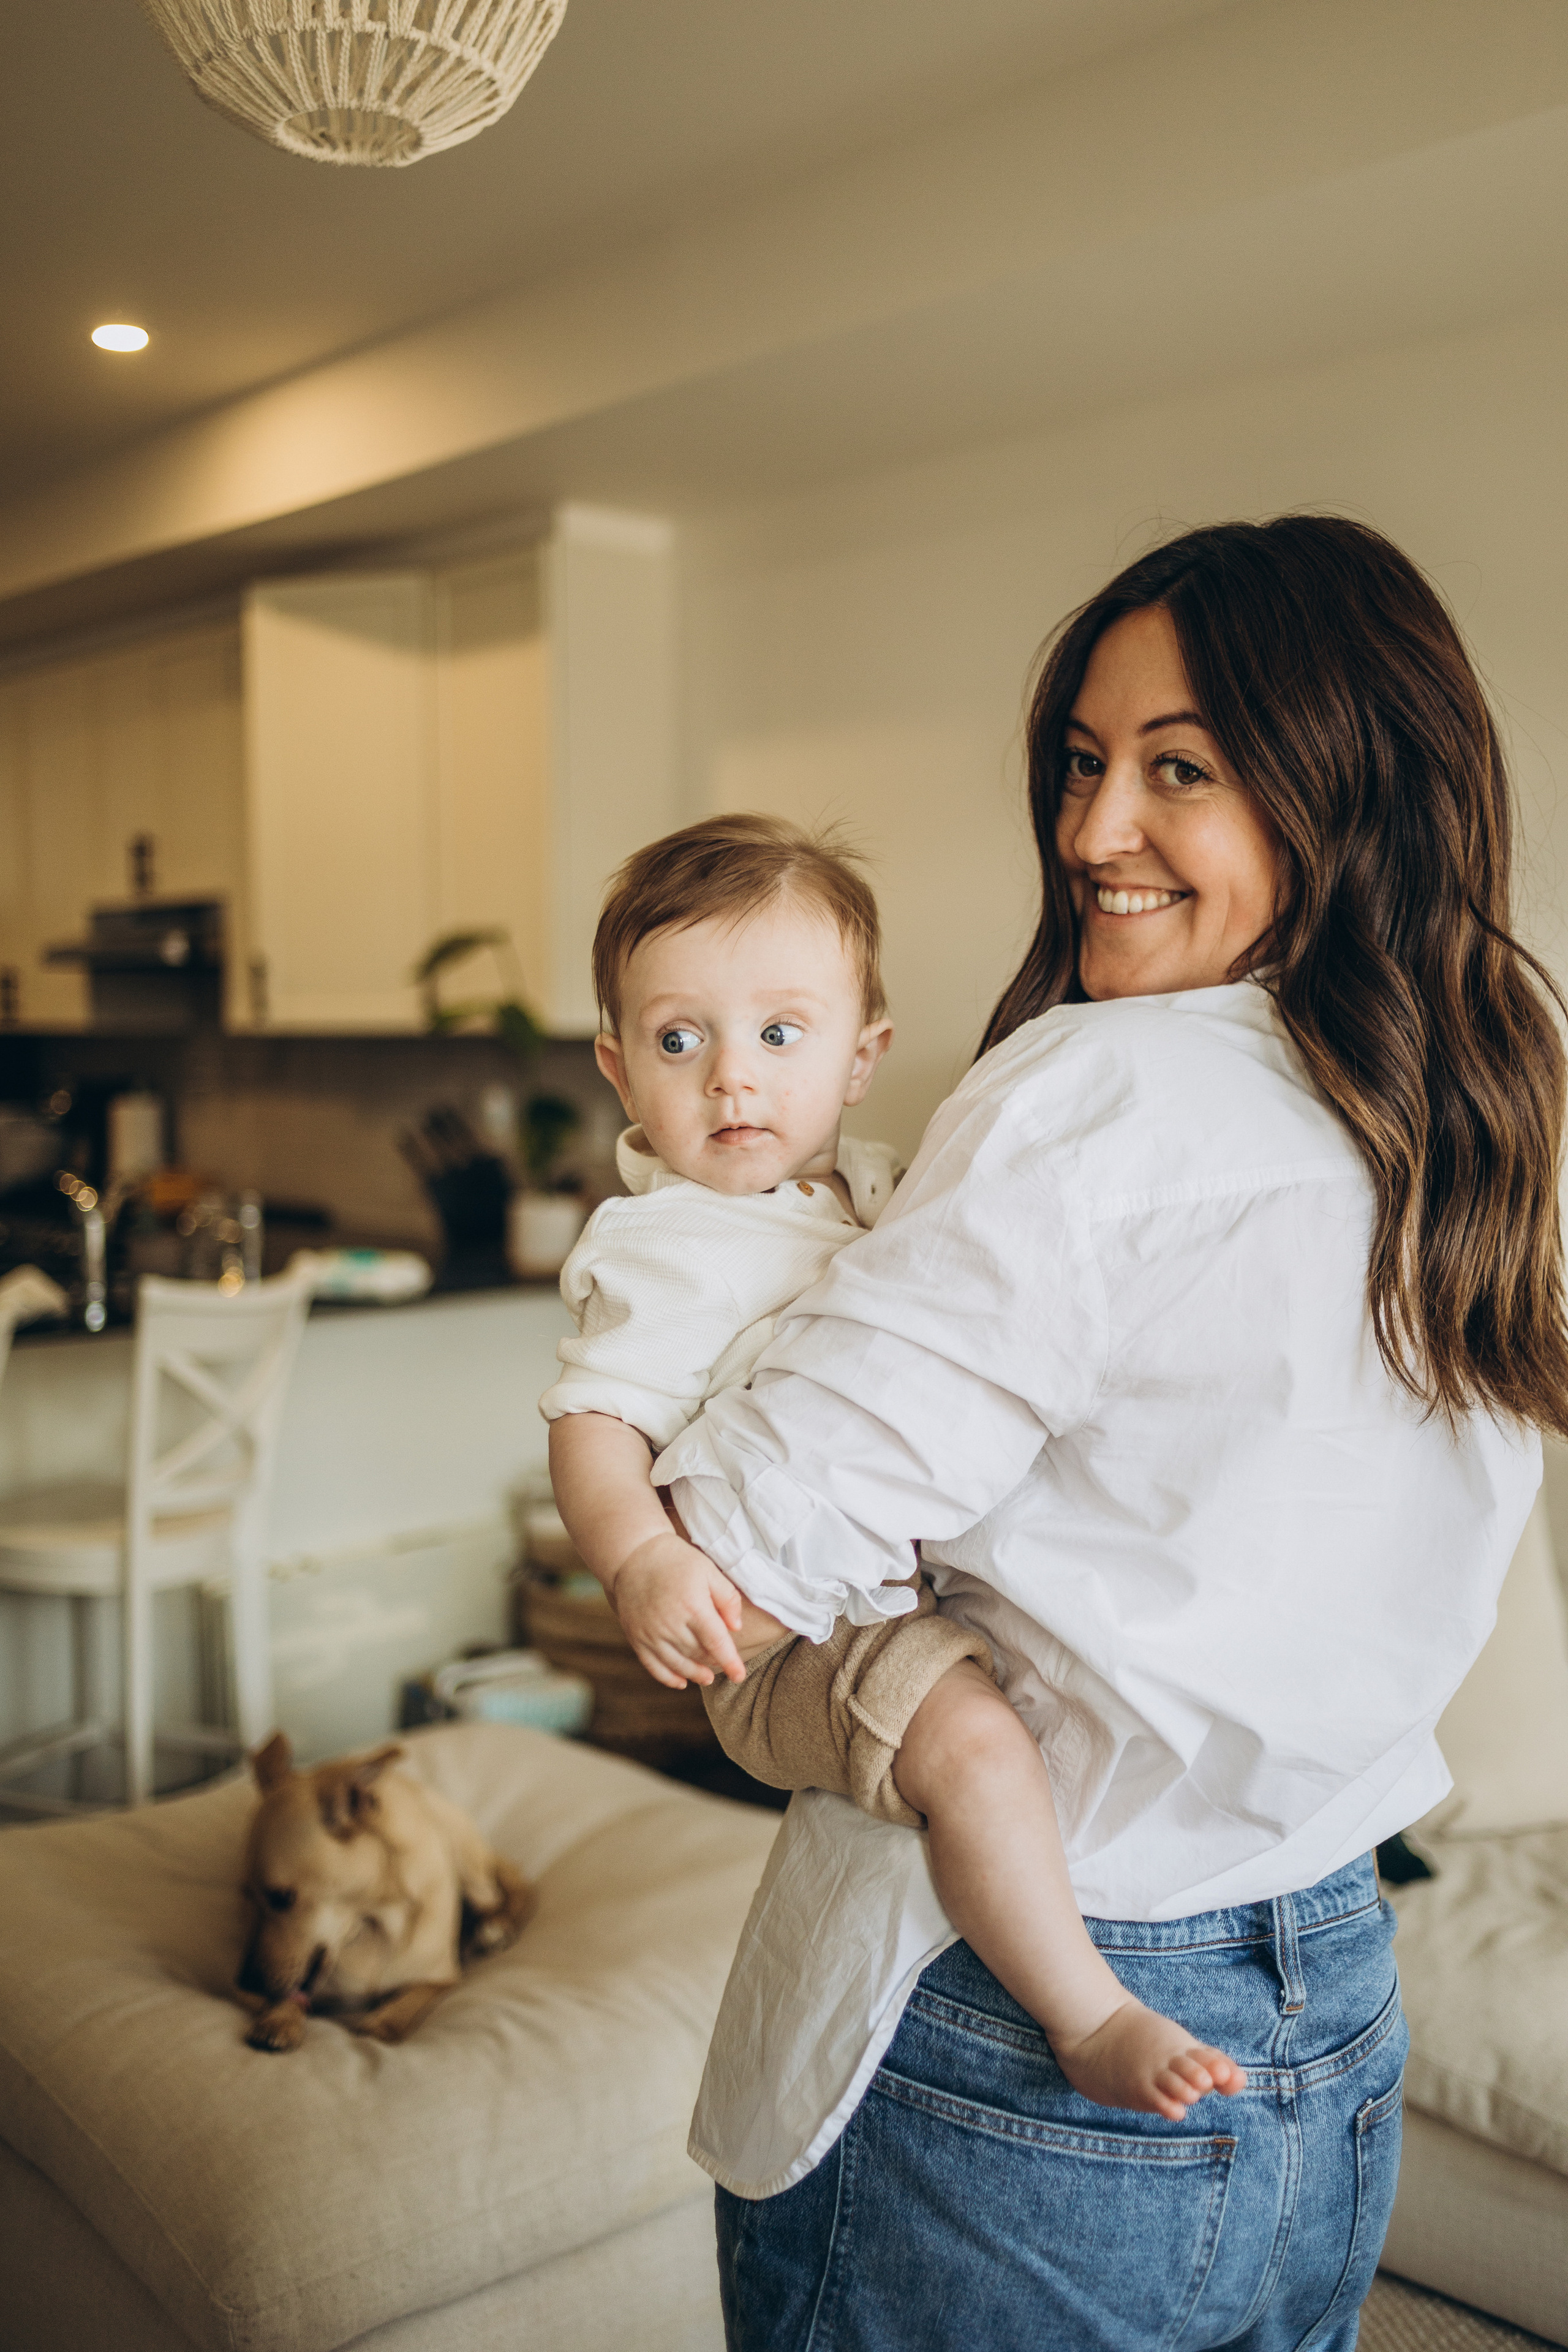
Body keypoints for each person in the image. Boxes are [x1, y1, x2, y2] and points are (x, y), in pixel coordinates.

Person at [622, 518, 1563, 2351]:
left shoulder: (1100, 1089)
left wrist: (666, 1351)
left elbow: (740, 1554)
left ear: (1342, 786)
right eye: (1083, 763)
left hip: (1031, 2019)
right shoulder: (1478, 1090)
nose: (1088, 830)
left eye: (1179, 770)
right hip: (1336, 1995)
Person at [545, 812, 1244, 2119]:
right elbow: (591, 1424)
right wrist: (637, 1557)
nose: (729, 1081)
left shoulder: (877, 1186)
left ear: (862, 1055)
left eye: (778, 1033)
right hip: (781, 1645)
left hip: (885, 1594)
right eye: (677, 1040)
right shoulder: (658, 1245)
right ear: (616, 1065)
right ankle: (1085, 2010)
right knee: (977, 1752)